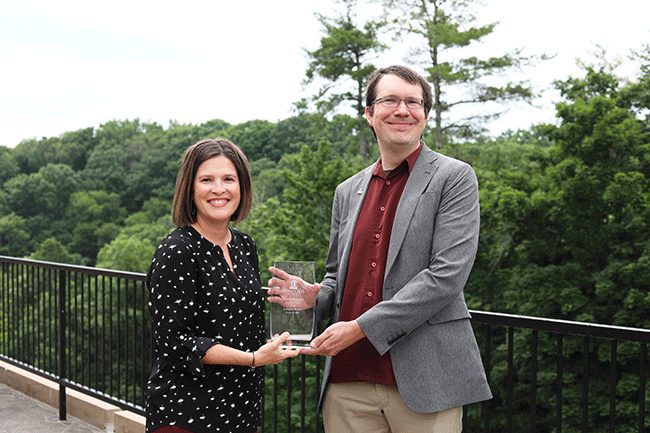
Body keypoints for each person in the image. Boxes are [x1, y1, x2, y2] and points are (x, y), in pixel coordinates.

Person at [268, 65, 492, 433]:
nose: (402, 110)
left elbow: (446, 276)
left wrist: (359, 328)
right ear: (370, 114)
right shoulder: (347, 191)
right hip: (346, 381)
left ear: (424, 114)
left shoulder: (455, 177)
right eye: (390, 100)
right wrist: (316, 298)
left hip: (426, 380)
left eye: (413, 102)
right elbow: (336, 276)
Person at [145, 138, 301, 433]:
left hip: (242, 409)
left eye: (228, 179)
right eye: (206, 180)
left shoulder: (244, 245)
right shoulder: (177, 250)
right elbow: (175, 342)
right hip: (188, 414)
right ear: (190, 188)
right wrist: (254, 359)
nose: (219, 189)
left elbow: (236, 315)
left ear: (241, 187)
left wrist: (294, 301)